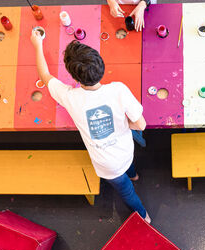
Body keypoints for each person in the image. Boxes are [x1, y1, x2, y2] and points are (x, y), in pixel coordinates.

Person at [32, 33, 150, 222]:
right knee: (129, 169)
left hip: (106, 165)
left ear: (74, 77)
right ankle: (134, 175)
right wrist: (120, 124)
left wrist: (37, 44)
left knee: (126, 192)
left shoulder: (70, 97)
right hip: (126, 150)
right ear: (101, 65)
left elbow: (45, 75)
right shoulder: (118, 89)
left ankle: (144, 217)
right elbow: (140, 124)